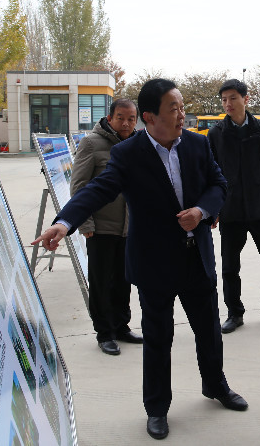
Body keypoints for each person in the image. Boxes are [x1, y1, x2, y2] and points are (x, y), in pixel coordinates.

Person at [33, 79, 248, 441]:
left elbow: (219, 184)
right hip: (154, 263)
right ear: (150, 117)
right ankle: (157, 408)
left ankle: (216, 385)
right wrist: (64, 222)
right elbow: (98, 190)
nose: (181, 115)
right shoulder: (128, 154)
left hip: (197, 258)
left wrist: (201, 210)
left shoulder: (197, 144)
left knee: (209, 331)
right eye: (173, 109)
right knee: (158, 338)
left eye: (182, 107)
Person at [207, 78, 260, 334]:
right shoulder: (216, 134)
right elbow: (209, 174)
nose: (228, 103)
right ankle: (234, 312)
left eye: (233, 98)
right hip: (230, 210)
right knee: (230, 266)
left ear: (246, 99)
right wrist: (213, 208)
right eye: (224, 99)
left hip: (259, 208)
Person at [69, 98, 143, 356]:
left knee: (124, 280)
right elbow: (79, 185)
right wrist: (85, 222)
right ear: (109, 118)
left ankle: (121, 326)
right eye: (121, 117)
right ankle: (104, 333)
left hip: (128, 227)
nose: (126, 123)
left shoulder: (137, 143)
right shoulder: (91, 143)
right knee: (101, 282)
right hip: (100, 227)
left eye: (131, 119)